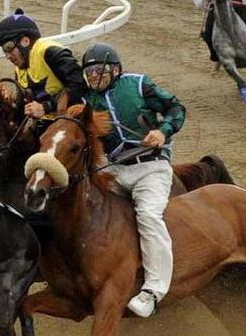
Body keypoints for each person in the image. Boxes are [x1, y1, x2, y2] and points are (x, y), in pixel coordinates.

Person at [80, 43, 186, 318]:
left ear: (115, 70)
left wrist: (162, 131)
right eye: (88, 72)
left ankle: (153, 290)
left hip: (150, 167)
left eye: (97, 70)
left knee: (148, 216)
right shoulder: (86, 103)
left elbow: (176, 109)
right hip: (115, 171)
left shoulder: (139, 85)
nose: (92, 76)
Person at [0, 8, 86, 130]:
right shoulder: (19, 68)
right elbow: (21, 107)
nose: (7, 56)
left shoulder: (49, 52)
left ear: (25, 41)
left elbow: (79, 84)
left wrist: (46, 106)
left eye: (9, 48)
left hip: (74, 122)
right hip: (47, 126)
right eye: (4, 50)